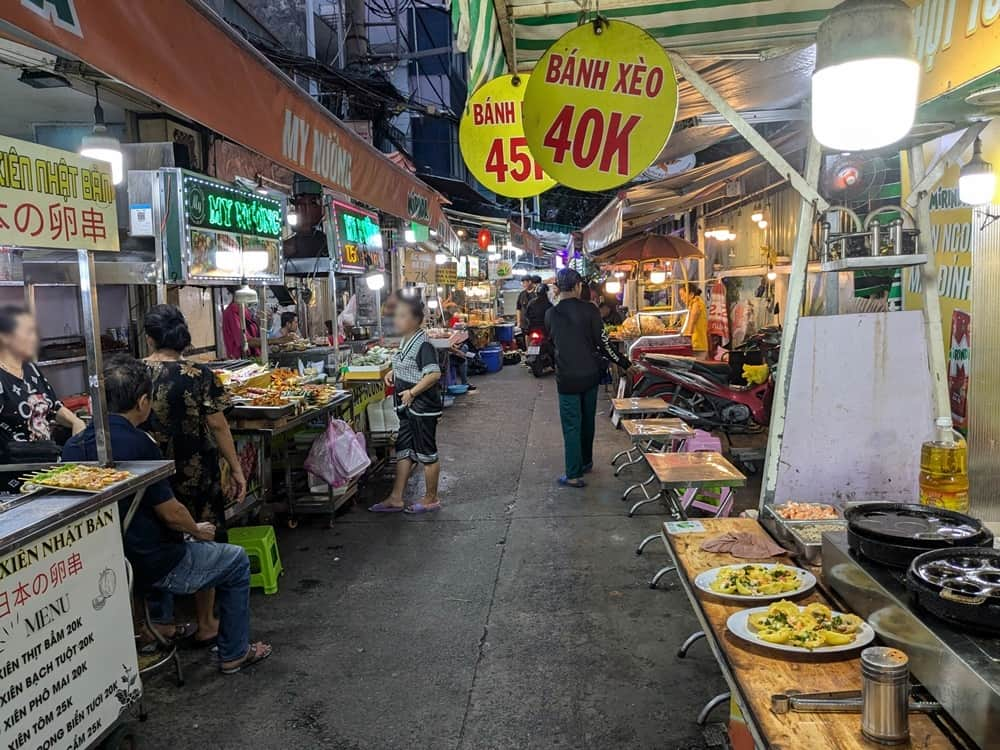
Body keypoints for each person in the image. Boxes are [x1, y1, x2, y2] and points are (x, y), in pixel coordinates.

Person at [62, 355, 271, 674]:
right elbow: (172, 514)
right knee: (236, 561)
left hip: (104, 561)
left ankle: (156, 627)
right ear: (143, 402)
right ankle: (234, 653)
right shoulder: (141, 446)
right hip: (151, 563)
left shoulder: (74, 447)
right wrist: (197, 530)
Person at [545, 269, 631, 488]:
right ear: (577, 286)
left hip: (567, 378)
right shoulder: (590, 311)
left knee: (572, 425)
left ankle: (573, 474)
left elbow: (551, 345)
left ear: (557, 288)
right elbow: (604, 343)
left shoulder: (551, 314)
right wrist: (624, 363)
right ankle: (586, 461)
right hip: (590, 375)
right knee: (587, 421)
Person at [369, 296, 443, 514]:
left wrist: (412, 392)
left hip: (422, 407)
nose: (397, 320)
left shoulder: (424, 344)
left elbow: (433, 374)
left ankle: (431, 498)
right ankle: (395, 498)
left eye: (402, 316)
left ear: (416, 319)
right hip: (407, 407)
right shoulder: (406, 341)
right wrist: (394, 372)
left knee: (426, 452)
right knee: (404, 450)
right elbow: (409, 365)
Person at [0, 306, 84, 467]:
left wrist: (75, 421)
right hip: (14, 470)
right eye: (27, 332)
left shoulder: (30, 369)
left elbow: (54, 406)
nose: (34, 338)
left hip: (47, 462)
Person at [222, 287, 261, 359]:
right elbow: (246, 341)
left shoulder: (245, 310)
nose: (253, 287)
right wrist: (277, 340)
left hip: (254, 358)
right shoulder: (231, 312)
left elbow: (253, 333)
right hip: (241, 360)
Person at [680, 282, 709, 358]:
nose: (681, 298)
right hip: (696, 344)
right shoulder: (692, 304)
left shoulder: (696, 303)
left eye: (682, 295)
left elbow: (692, 322)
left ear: (691, 294)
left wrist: (687, 340)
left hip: (696, 344)